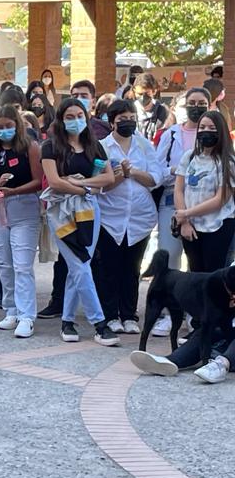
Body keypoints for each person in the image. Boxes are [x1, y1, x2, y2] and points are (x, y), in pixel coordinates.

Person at [40, 97, 119, 345]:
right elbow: (54, 182)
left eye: (80, 116)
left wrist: (80, 183)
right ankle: (99, 323)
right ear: (61, 120)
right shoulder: (50, 146)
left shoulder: (94, 146)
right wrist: (84, 189)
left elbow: (108, 178)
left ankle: (67, 321)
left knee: (79, 265)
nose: (76, 121)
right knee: (81, 265)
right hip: (60, 211)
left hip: (89, 211)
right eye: (70, 117)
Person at [93, 99, 166, 334]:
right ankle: (110, 315)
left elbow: (156, 178)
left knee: (132, 268)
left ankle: (129, 315)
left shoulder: (144, 146)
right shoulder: (101, 147)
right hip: (109, 217)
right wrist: (119, 177)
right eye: (122, 119)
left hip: (139, 219)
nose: (127, 123)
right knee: (110, 269)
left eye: (131, 118)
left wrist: (132, 172)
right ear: (111, 121)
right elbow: (97, 184)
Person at [0, 105, 44, 338]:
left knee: (22, 263)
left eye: (8, 126)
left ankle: (27, 315)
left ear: (17, 125)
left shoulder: (30, 147)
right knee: (3, 261)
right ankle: (10, 308)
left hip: (24, 207)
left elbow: (37, 181)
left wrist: (13, 190)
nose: (4, 130)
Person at [152, 86, 211, 335]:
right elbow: (157, 169)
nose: (196, 107)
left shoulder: (215, 133)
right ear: (184, 105)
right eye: (192, 102)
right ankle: (169, 311)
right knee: (171, 256)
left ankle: (196, 312)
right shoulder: (172, 135)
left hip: (206, 207)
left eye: (202, 103)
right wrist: (175, 171)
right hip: (172, 203)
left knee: (199, 262)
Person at [174, 110, 235, 273]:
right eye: (202, 127)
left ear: (220, 130)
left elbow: (220, 199)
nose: (205, 131)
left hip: (218, 226)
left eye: (211, 127)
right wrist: (185, 221)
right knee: (195, 275)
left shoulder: (228, 161)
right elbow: (179, 190)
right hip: (190, 226)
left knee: (214, 277)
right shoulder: (189, 157)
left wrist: (186, 214)